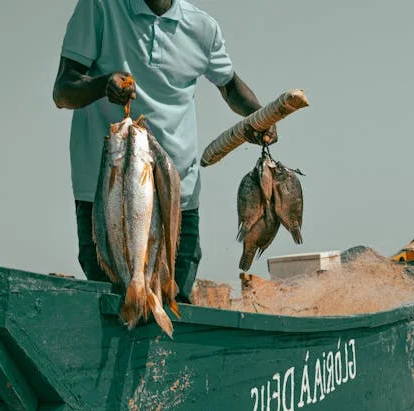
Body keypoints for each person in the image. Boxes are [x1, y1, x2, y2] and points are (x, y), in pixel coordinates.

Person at [53, 0, 277, 303]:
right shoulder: (100, 7)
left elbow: (230, 86)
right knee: (116, 303)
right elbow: (63, 91)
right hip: (108, 194)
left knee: (174, 302)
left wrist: (261, 117)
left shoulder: (202, 27)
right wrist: (102, 85)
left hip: (179, 197)